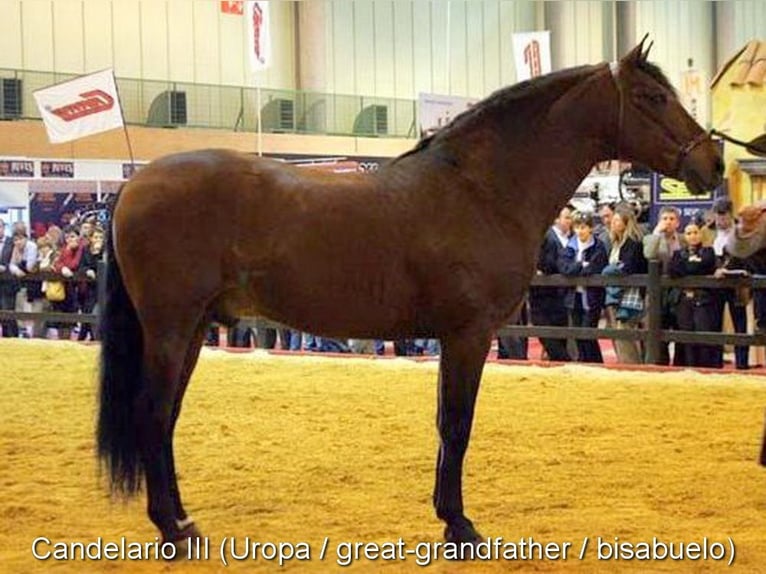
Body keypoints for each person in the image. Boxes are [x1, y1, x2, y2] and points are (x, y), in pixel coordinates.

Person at [668, 222, 721, 368]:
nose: (692, 236)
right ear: (684, 236)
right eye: (688, 233)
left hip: (703, 300)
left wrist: (690, 266)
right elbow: (673, 270)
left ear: (701, 234)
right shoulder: (678, 253)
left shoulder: (708, 251)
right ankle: (688, 366)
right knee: (685, 334)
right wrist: (692, 265)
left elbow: (706, 265)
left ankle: (705, 367)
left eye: (695, 232)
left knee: (703, 333)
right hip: (683, 300)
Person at [559, 211, 608, 362]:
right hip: (574, 296)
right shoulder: (570, 246)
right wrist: (581, 264)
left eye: (584, 227)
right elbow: (564, 268)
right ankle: (583, 360)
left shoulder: (598, 246)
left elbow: (593, 268)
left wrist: (578, 268)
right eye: (577, 227)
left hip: (592, 296)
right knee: (578, 333)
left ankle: (595, 362)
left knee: (588, 333)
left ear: (591, 228)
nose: (580, 231)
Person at [602, 203, 647, 364]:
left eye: (617, 221)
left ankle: (632, 364)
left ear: (626, 222)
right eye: (613, 221)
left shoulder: (633, 242)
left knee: (624, 329)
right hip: (617, 292)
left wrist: (608, 270)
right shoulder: (616, 243)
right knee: (618, 330)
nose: (613, 224)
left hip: (632, 292)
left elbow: (626, 268)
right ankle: (627, 362)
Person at [528, 205, 573, 362]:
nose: (569, 221)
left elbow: (548, 263)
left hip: (555, 294)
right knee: (550, 336)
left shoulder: (550, 238)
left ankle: (564, 362)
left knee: (556, 336)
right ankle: (563, 362)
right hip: (545, 294)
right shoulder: (547, 237)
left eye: (569, 217)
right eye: (566, 217)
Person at [711, 197, 749, 369]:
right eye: (718, 217)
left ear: (731, 214)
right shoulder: (707, 231)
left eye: (724, 217)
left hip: (737, 284)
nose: (721, 221)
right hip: (714, 284)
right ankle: (715, 362)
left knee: (740, 323)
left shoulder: (741, 232)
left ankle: (742, 363)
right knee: (714, 323)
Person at [643, 205, 684, 365]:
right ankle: (660, 365)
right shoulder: (650, 238)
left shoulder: (684, 239)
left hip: (678, 291)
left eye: (671, 219)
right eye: (664, 219)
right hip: (658, 292)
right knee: (658, 330)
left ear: (678, 223)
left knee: (680, 330)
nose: (668, 222)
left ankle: (681, 365)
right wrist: (656, 233)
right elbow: (649, 254)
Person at [0, 219, 19, 337]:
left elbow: (17, 261)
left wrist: (5, 268)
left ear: (3, 227)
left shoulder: (12, 242)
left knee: (9, 314)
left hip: (8, 284)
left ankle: (14, 339)